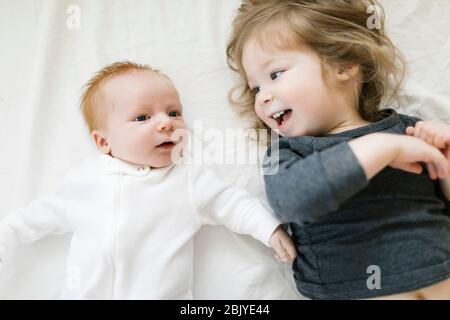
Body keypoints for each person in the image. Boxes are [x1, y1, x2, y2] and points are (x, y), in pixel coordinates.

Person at [0, 61, 297, 299]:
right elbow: (38, 216)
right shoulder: (86, 182)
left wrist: (269, 229)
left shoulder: (187, 180)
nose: (167, 123)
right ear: (104, 142)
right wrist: (7, 235)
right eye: (142, 118)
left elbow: (233, 204)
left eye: (174, 112)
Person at [226, 0, 450, 299]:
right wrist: (381, 148)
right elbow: (292, 202)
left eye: (275, 74)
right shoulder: (290, 152)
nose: (263, 97)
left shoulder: (409, 131)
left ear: (342, 63)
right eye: (255, 87)